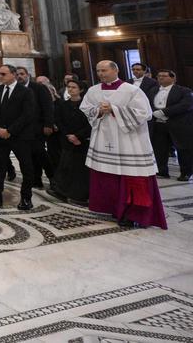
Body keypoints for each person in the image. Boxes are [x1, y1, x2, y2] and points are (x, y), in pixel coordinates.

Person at [82, 60, 166, 228]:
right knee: (108, 177)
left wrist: (114, 109)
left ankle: (132, 213)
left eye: (104, 70)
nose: (101, 74)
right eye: (98, 71)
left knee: (131, 178)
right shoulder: (93, 90)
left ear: (115, 70)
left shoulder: (132, 90)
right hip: (104, 139)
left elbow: (145, 113)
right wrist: (98, 110)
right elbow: (85, 108)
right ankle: (113, 208)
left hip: (130, 141)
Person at [0, 64, 37, 211]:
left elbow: (28, 114)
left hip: (20, 136)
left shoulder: (25, 92)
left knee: (26, 167)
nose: (0, 76)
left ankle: (26, 197)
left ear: (13, 75)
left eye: (3, 74)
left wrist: (10, 130)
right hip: (0, 135)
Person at [49, 80, 91, 204]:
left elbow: (90, 123)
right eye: (69, 87)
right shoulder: (63, 105)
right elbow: (59, 121)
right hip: (68, 140)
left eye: (74, 87)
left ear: (81, 90)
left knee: (81, 169)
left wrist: (78, 136)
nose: (71, 89)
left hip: (82, 141)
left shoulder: (87, 105)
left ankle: (80, 195)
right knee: (67, 166)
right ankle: (63, 191)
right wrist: (69, 135)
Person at [15, 67, 55, 189]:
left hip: (38, 127)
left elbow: (48, 106)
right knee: (29, 156)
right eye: (17, 74)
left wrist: (48, 124)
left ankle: (52, 177)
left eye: (22, 74)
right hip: (23, 129)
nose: (19, 76)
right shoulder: (16, 89)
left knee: (40, 153)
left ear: (27, 75)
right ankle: (36, 179)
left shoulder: (38, 87)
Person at [150, 70, 193, 181]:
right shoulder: (153, 90)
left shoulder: (184, 90)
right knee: (160, 149)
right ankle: (162, 171)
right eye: (159, 76)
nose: (160, 78)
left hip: (178, 124)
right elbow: (147, 103)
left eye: (164, 76)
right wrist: (154, 112)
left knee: (183, 149)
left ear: (173, 78)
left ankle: (186, 172)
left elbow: (186, 105)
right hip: (158, 124)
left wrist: (165, 112)